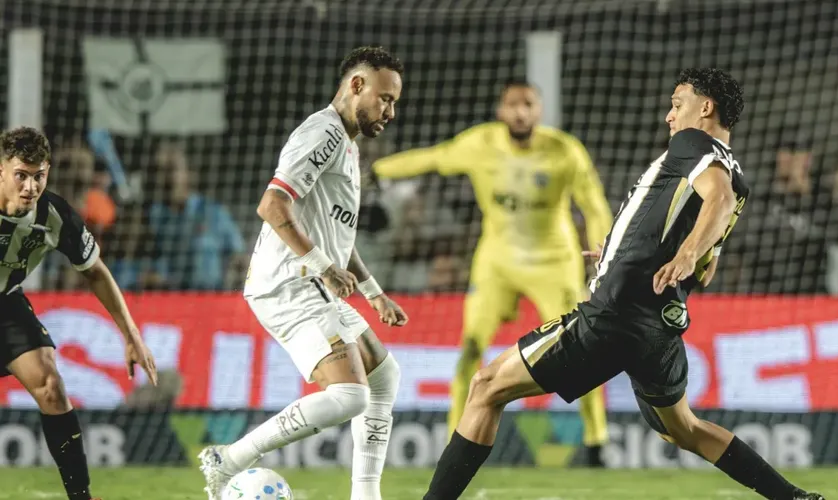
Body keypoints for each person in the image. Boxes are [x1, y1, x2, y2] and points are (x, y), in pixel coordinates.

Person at [421, 68, 826, 500]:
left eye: (677, 104)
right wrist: (621, 252)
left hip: (617, 313)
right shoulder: (739, 176)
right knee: (684, 429)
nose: (670, 116)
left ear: (705, 108)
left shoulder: (694, 145)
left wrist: (684, 253)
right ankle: (796, 498)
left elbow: (716, 202)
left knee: (485, 387)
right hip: (659, 325)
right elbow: (708, 266)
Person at [197, 46, 408, 500]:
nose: (390, 111)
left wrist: (373, 292)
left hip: (312, 281)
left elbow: (339, 240)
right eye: (385, 98)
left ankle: (366, 495)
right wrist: (322, 267)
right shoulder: (323, 134)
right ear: (356, 86)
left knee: (384, 377)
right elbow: (272, 205)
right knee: (350, 396)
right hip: (287, 282)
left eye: (394, 101)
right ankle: (229, 459)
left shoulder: (348, 147)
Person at [373, 80, 613, 465]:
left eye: (529, 104)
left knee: (579, 350)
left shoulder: (565, 151)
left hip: (554, 263)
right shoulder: (480, 144)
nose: (521, 112)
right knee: (470, 347)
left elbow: (593, 204)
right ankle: (458, 439)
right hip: (497, 262)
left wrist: (604, 252)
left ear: (539, 110)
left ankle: (596, 442)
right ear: (501, 111)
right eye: (513, 105)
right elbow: (434, 158)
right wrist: (377, 170)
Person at [0, 126, 158, 500]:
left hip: (6, 301)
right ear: (2, 171)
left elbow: (96, 272)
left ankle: (81, 497)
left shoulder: (54, 215)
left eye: (38, 176)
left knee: (51, 385)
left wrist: (132, 335)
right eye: (21, 175)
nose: (30, 187)